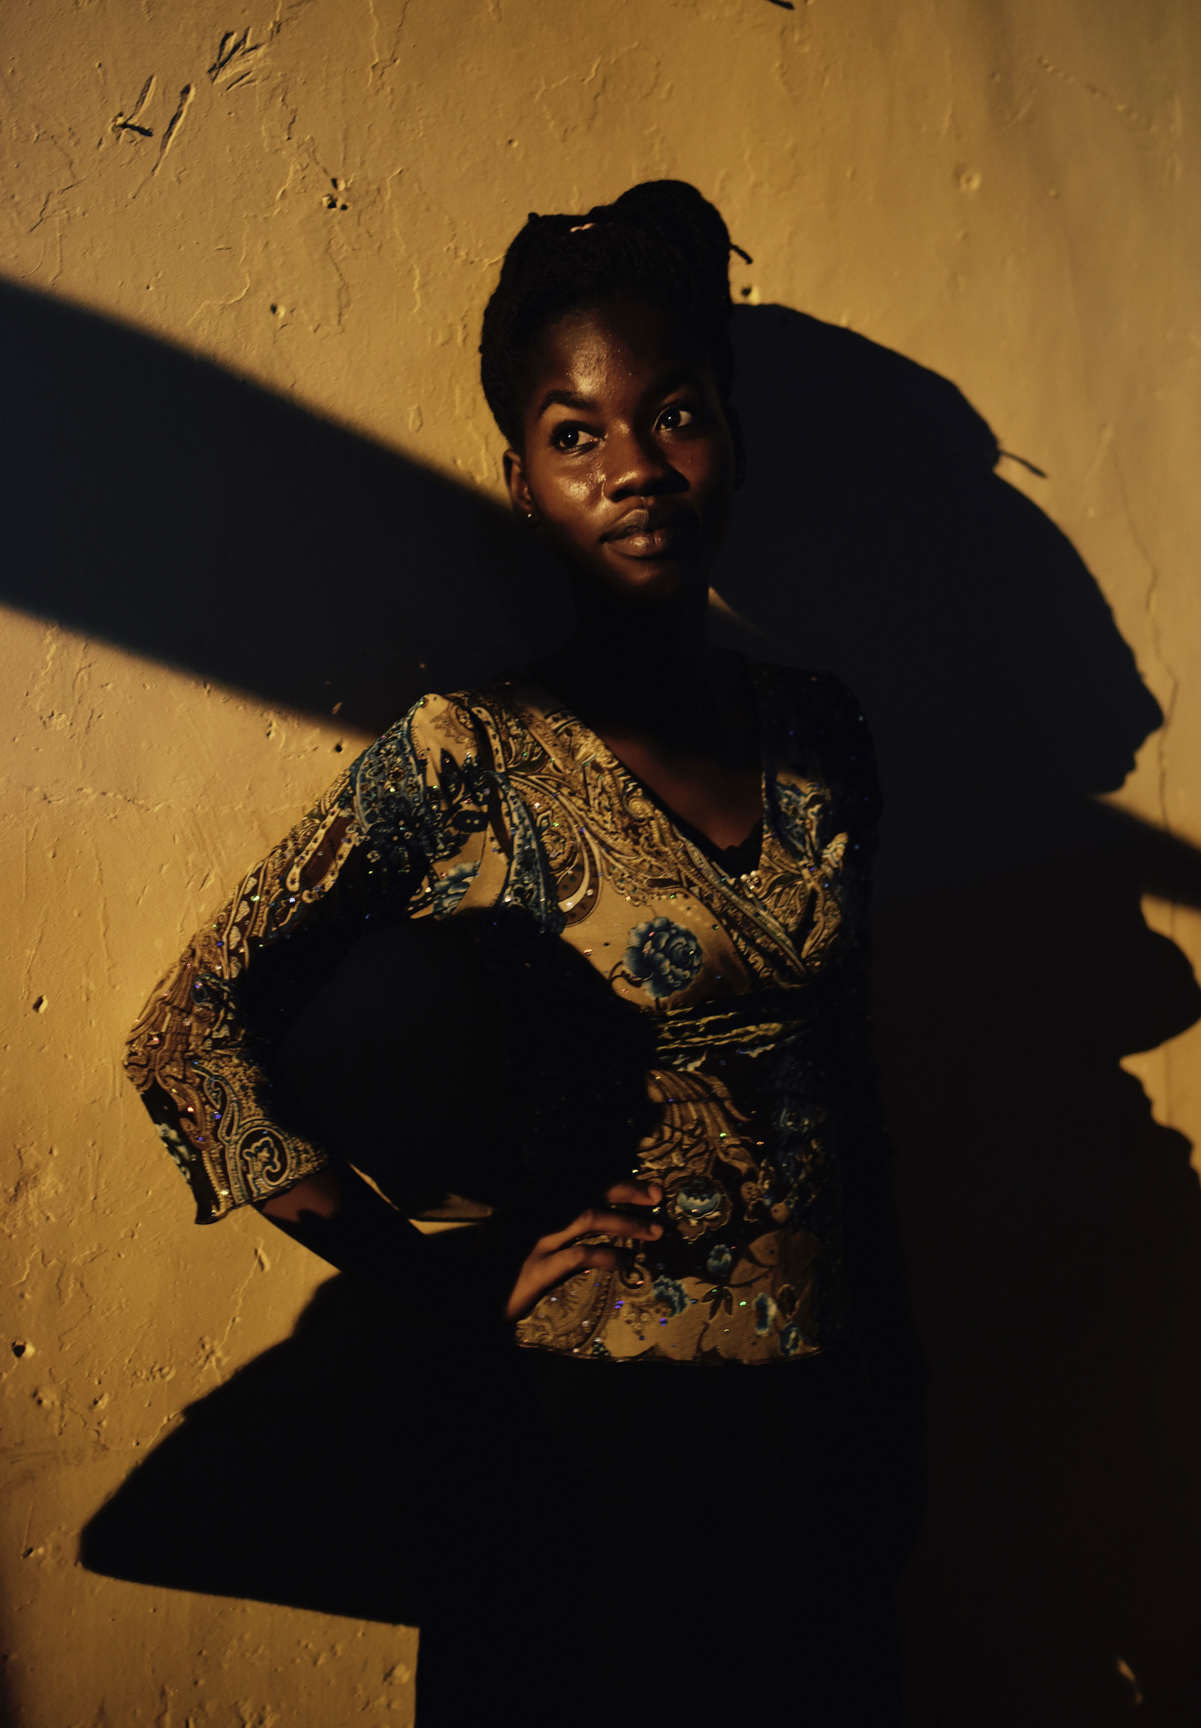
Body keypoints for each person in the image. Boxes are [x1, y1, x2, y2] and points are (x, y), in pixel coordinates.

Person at [124, 180, 912, 1725]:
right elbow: (190, 1029)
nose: (634, 468)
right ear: (521, 484)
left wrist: (894, 1389)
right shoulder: (469, 756)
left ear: (730, 438)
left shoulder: (820, 731)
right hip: (589, 1440)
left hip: (819, 1438)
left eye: (671, 413)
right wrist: (438, 1276)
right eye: (576, 434)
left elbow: (846, 1080)